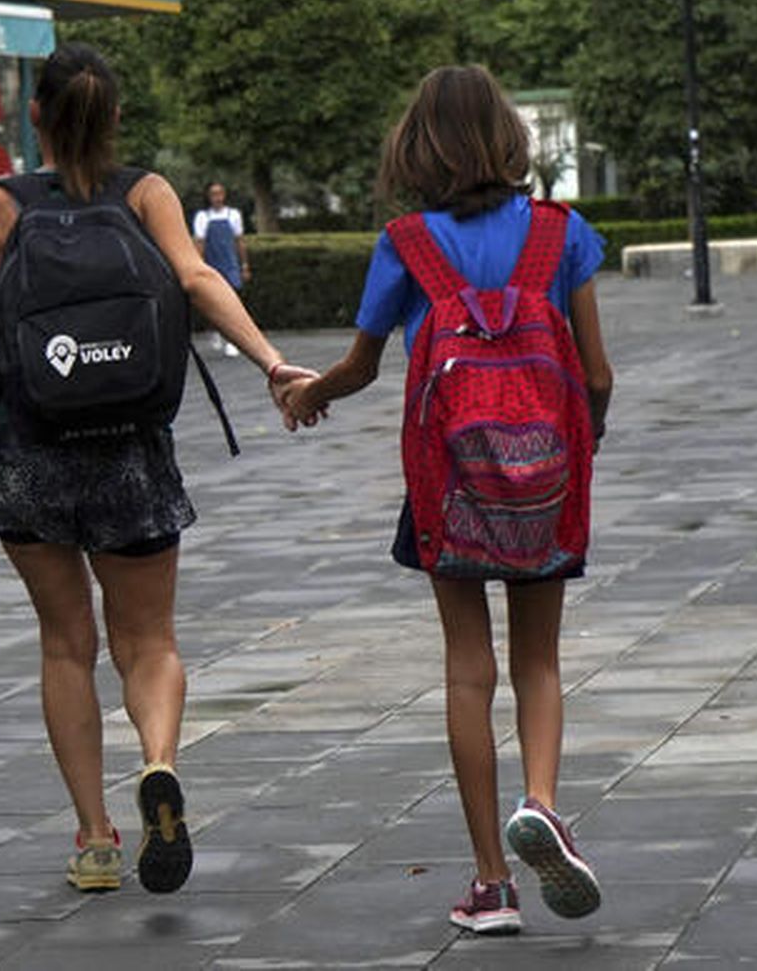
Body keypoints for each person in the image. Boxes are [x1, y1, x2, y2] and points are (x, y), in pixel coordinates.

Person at [0, 43, 315, 896]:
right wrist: (273, 363)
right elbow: (196, 277)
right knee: (150, 642)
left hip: (31, 455)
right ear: (117, 118)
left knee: (67, 645)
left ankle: (96, 839)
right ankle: (159, 762)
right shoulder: (147, 195)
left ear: (36, 115)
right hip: (130, 452)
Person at [280, 65, 614, 935]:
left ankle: (493, 885)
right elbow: (597, 373)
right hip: (544, 480)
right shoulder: (562, 233)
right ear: (508, 137)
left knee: (469, 666)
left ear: (417, 147)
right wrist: (578, 448)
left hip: (449, 484)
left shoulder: (407, 243)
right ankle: (541, 802)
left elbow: (361, 366)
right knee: (539, 661)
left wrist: (311, 393)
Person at [192, 181, 249, 357]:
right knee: (212, 302)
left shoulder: (234, 215)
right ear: (208, 197)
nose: (217, 197)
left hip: (230, 264)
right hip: (212, 264)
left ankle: (232, 340)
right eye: (213, 194)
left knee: (233, 301)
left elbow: (239, 241)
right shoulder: (203, 217)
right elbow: (199, 243)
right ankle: (215, 331)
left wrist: (244, 265)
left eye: (220, 193)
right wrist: (198, 266)